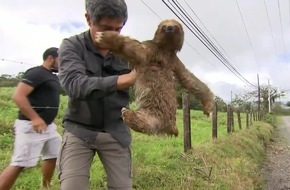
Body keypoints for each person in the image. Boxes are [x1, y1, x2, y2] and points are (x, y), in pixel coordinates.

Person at [57, 0, 137, 189]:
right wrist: (125, 80)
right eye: (106, 28)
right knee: (71, 186)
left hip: (115, 131)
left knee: (122, 187)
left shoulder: (130, 50)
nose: (113, 34)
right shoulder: (72, 46)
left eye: (118, 29)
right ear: (88, 19)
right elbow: (74, 85)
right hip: (79, 130)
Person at [0, 47, 62, 190]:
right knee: (20, 163)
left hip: (48, 127)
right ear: (50, 58)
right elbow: (18, 96)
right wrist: (35, 118)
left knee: (54, 154)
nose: (63, 63)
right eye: (61, 59)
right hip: (31, 125)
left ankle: (45, 186)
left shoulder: (52, 76)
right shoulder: (36, 73)